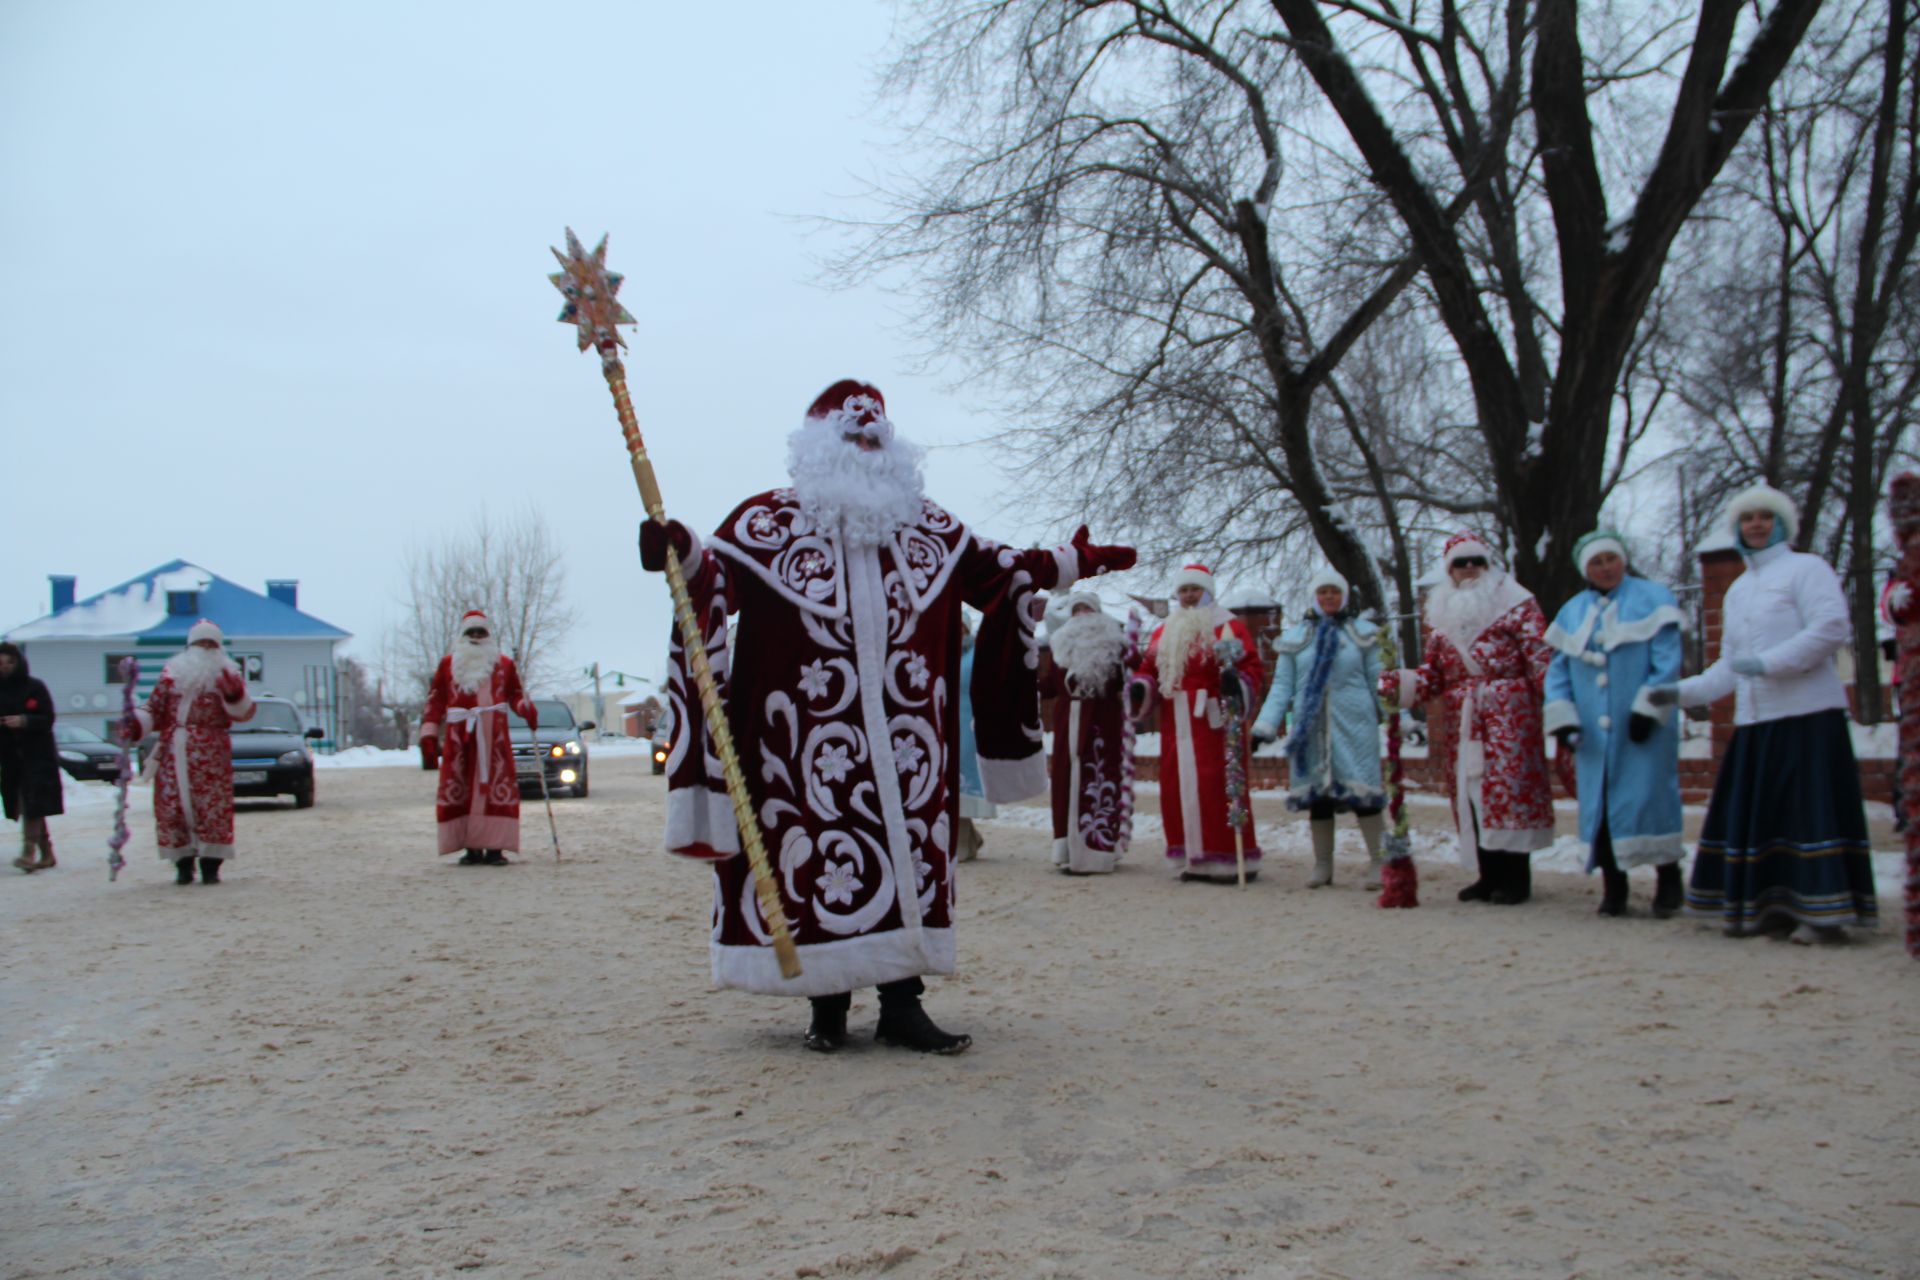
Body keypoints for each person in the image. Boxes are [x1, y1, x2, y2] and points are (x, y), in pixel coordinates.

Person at [639, 379, 1133, 1054]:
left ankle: (903, 1005)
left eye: (878, 439)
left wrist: (1072, 564)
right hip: (806, 743)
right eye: (854, 438)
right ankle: (827, 1009)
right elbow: (714, 581)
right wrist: (681, 552)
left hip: (909, 747)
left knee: (911, 866)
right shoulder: (766, 522)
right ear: (820, 449)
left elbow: (1003, 569)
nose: (868, 450)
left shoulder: (930, 527)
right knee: (811, 862)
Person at [1666, 485, 1877, 942]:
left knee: (1808, 813)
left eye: (1765, 516)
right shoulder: (1739, 589)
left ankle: (1822, 915)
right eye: (1748, 518)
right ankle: (1770, 906)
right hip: (1756, 724)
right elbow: (1728, 667)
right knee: (1767, 817)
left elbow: (1830, 628)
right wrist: (1675, 693)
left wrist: (1770, 663)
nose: (1756, 524)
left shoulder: (1807, 569)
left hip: (1808, 715)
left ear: (1782, 523)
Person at [1379, 533, 1553, 904]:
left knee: (1508, 791)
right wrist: (1402, 684)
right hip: (1463, 718)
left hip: (1509, 714)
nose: (1470, 568)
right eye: (1461, 563)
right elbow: (1436, 675)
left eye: (1477, 560)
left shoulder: (1518, 603)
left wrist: (1557, 705)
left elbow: (1541, 658)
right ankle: (1487, 875)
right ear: (1450, 570)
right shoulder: (1443, 616)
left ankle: (1516, 879)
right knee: (1472, 793)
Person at [1542, 531, 1686, 918]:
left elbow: (1667, 661)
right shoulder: (1573, 611)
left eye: (1611, 559)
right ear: (1585, 568)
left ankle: (1668, 881)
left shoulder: (1653, 599)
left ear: (1622, 560)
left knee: (1651, 799)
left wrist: (1648, 708)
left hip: (1643, 730)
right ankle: (1614, 886)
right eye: (1596, 562)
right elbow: (1557, 674)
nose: (1605, 568)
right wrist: (1562, 719)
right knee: (1601, 808)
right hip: (1593, 737)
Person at [1252, 568, 1386, 890]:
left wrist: (1402, 717)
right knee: (1318, 796)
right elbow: (1283, 685)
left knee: (1363, 795)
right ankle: (1323, 864)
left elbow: (1381, 679)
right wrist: (1264, 725)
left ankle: (1380, 862)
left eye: (1334, 592)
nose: (1328, 597)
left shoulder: (1362, 634)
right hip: (1310, 728)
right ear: (1314, 596)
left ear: (1344, 597)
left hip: (1354, 725)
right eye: (1323, 592)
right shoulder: (1297, 638)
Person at [1131, 565, 1266, 882]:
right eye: (1184, 590)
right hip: (1175, 721)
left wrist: (1238, 682)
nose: (1189, 596)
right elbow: (1149, 667)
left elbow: (1251, 665)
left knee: (1217, 784)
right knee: (1177, 786)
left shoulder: (1226, 624)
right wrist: (1141, 684)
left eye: (1195, 589)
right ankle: (1192, 856)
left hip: (1212, 719)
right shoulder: (1165, 630)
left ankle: (1228, 858)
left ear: (1207, 591)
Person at [122, 620, 255, 885]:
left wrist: (234, 695)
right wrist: (134, 723)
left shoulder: (228, 676)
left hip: (211, 754)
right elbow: (154, 709)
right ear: (190, 647)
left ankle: (211, 865)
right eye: (200, 643)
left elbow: (244, 712)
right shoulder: (172, 675)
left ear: (218, 648)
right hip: (173, 751)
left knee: (212, 807)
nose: (204, 649)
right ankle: (182, 864)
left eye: (210, 644)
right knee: (172, 807)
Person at [419, 610, 537, 866]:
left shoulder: (504, 665)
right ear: (462, 636)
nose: (475, 637)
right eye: (470, 632)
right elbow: (436, 698)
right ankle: (471, 847)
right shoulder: (448, 664)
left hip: (492, 736)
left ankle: (495, 847)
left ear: (488, 635)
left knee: (494, 787)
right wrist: (429, 731)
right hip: (460, 737)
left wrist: (525, 707)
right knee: (463, 788)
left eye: (480, 632)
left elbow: (515, 693)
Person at [1040, 592, 1132, 874]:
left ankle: (1098, 851)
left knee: (1099, 778)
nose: (1082, 615)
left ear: (1098, 613)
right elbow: (1050, 686)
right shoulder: (1061, 647)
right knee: (1067, 781)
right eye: (1076, 610)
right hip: (1068, 721)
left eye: (1087, 609)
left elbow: (1127, 685)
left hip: (1102, 722)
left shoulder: (1115, 648)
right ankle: (1068, 849)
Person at [0, 642, 62, 873]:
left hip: (37, 756)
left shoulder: (34, 687)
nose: (5, 667)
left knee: (31, 802)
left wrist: (25, 721)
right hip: (11, 757)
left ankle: (28, 852)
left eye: (9, 662)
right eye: (1, 663)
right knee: (28, 805)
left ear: (18, 663)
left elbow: (48, 718)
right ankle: (47, 853)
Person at [953, 612, 993, 863]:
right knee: (947, 785)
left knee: (962, 782)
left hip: (968, 726)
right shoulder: (941, 651)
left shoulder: (976, 653)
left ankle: (962, 843)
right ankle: (969, 838)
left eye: (961, 628)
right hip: (943, 725)